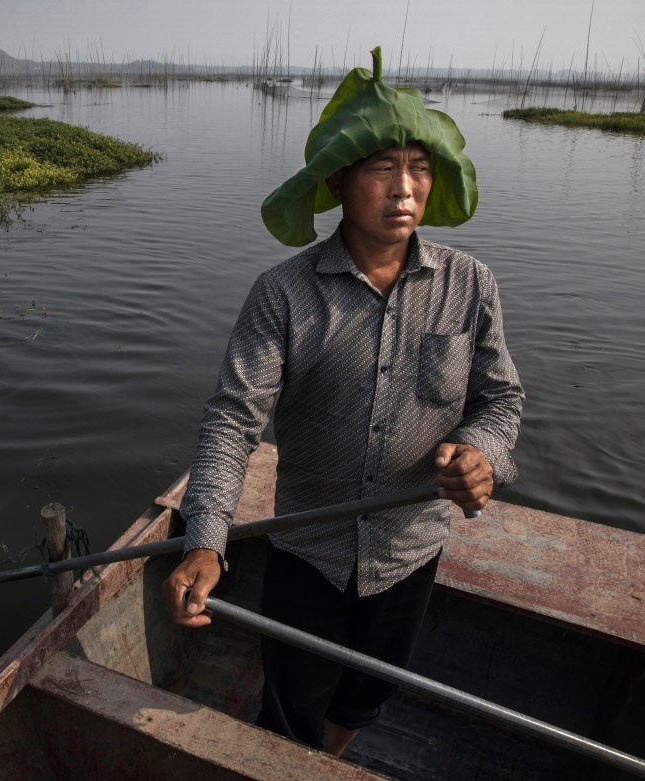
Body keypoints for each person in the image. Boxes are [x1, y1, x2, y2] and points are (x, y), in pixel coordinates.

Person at [162, 48, 524, 758]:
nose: (404, 187)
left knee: (366, 694)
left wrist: (484, 454)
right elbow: (234, 419)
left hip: (411, 550)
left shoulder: (469, 284)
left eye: (418, 166)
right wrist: (205, 539)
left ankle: (331, 751)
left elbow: (501, 400)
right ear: (338, 179)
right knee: (290, 702)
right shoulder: (284, 293)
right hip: (309, 551)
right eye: (380, 167)